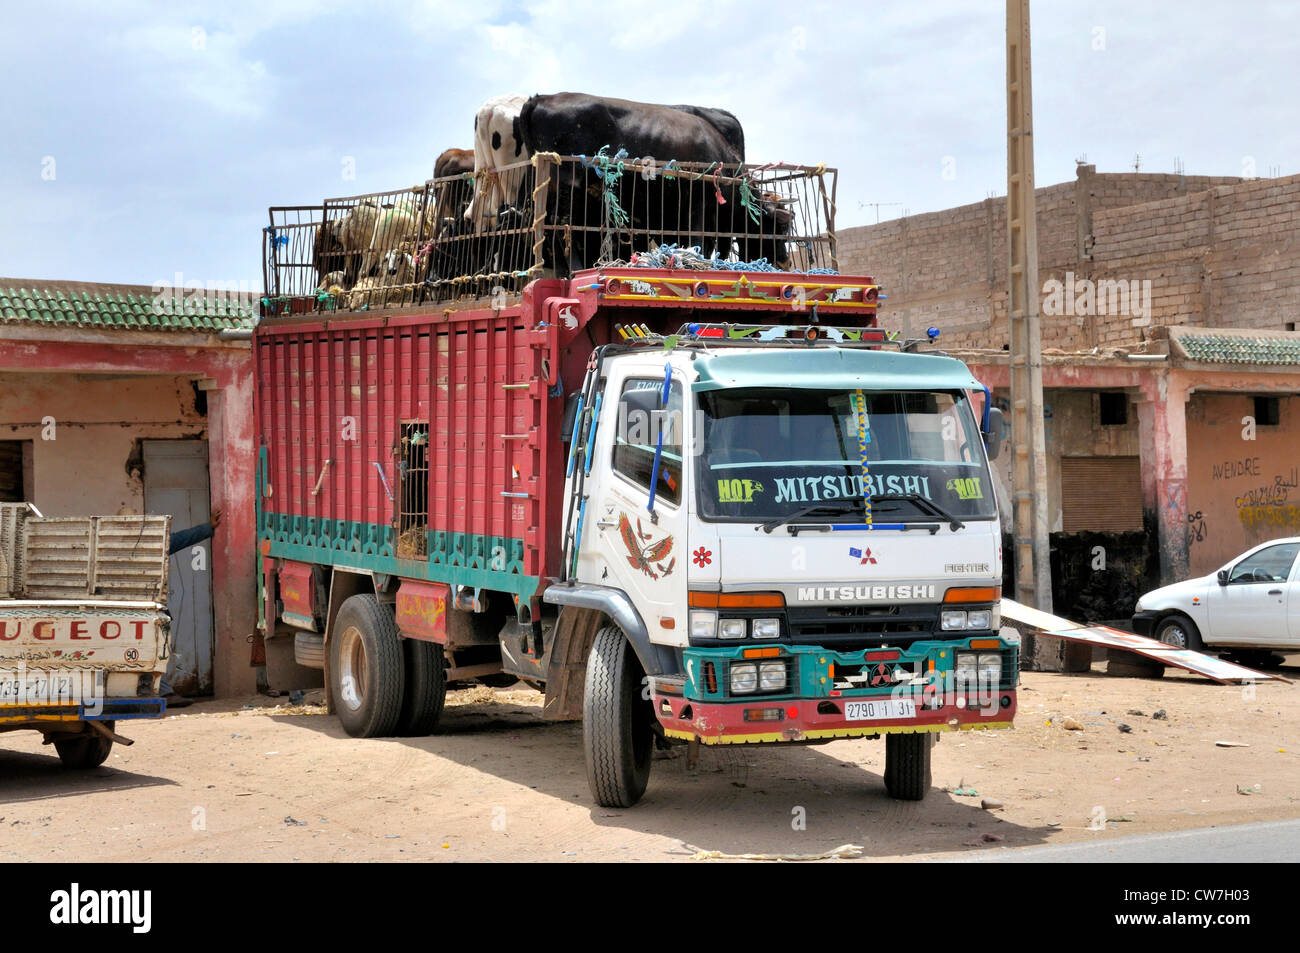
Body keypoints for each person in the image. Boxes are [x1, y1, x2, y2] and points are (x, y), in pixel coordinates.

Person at [160, 507, 221, 707]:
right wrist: (208, 527)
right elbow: (181, 539)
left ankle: (161, 691)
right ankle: (164, 693)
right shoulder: (154, 542)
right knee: (158, 651)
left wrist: (207, 527)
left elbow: (181, 539)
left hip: (139, 608)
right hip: (150, 608)